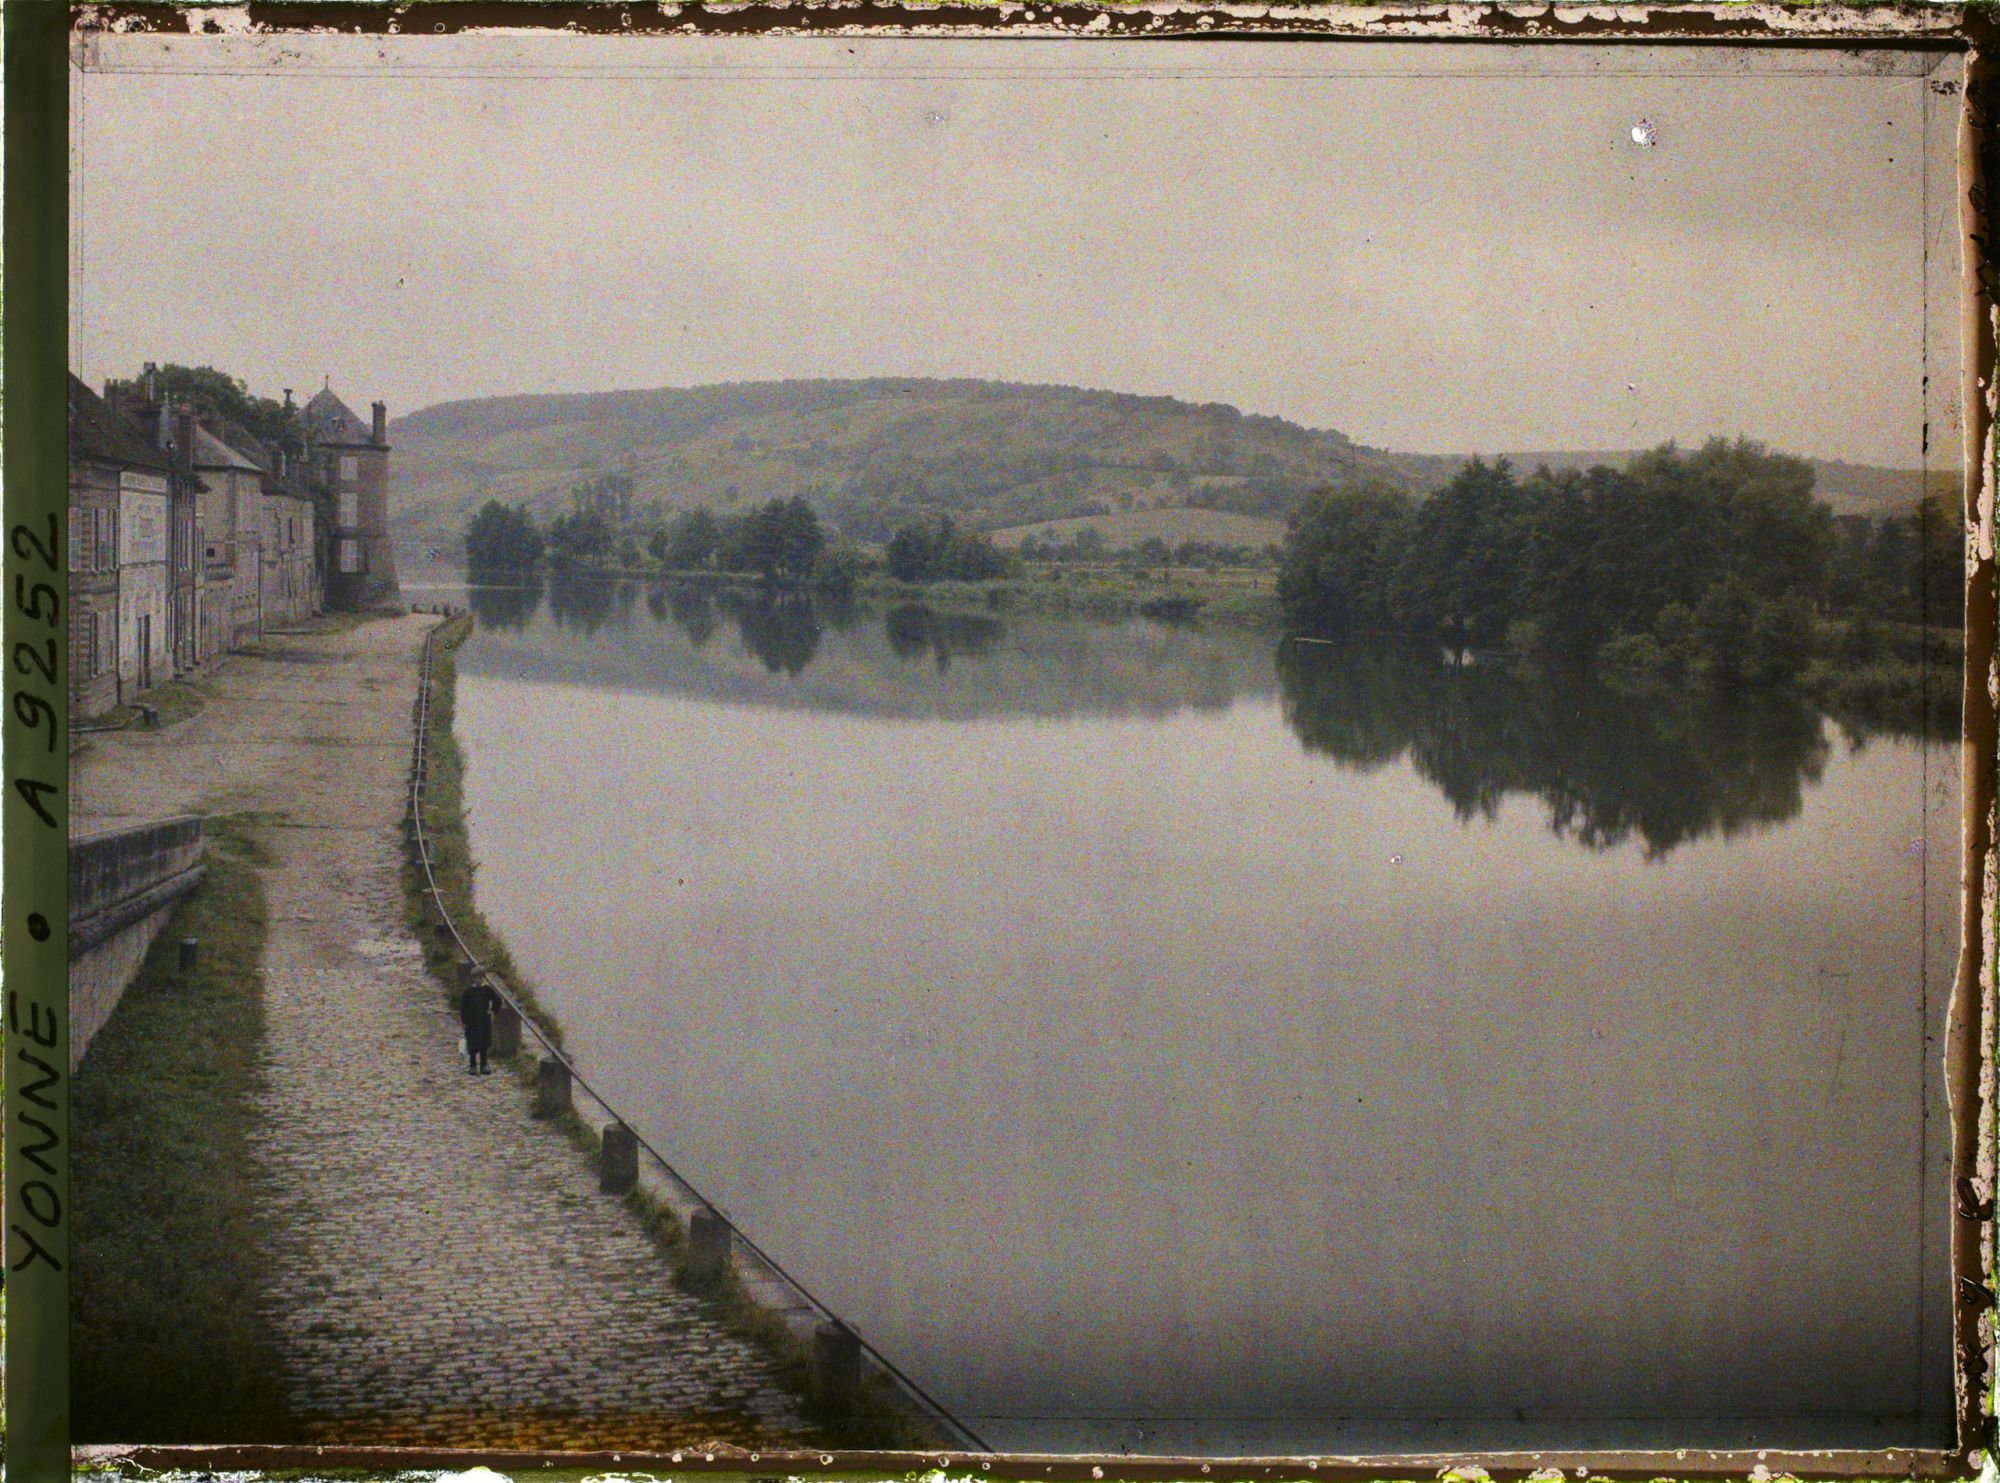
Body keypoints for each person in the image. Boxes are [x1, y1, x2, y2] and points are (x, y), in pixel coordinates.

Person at [459, 974, 502, 1075]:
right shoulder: (468, 992)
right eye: (477, 978)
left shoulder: (487, 990)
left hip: (484, 1021)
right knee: (472, 1044)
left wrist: (492, 1011)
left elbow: (498, 1001)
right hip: (472, 1021)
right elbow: (463, 1008)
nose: (479, 980)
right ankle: (473, 1065)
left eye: (481, 978)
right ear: (473, 978)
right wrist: (464, 1021)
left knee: (484, 1043)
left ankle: (483, 1065)